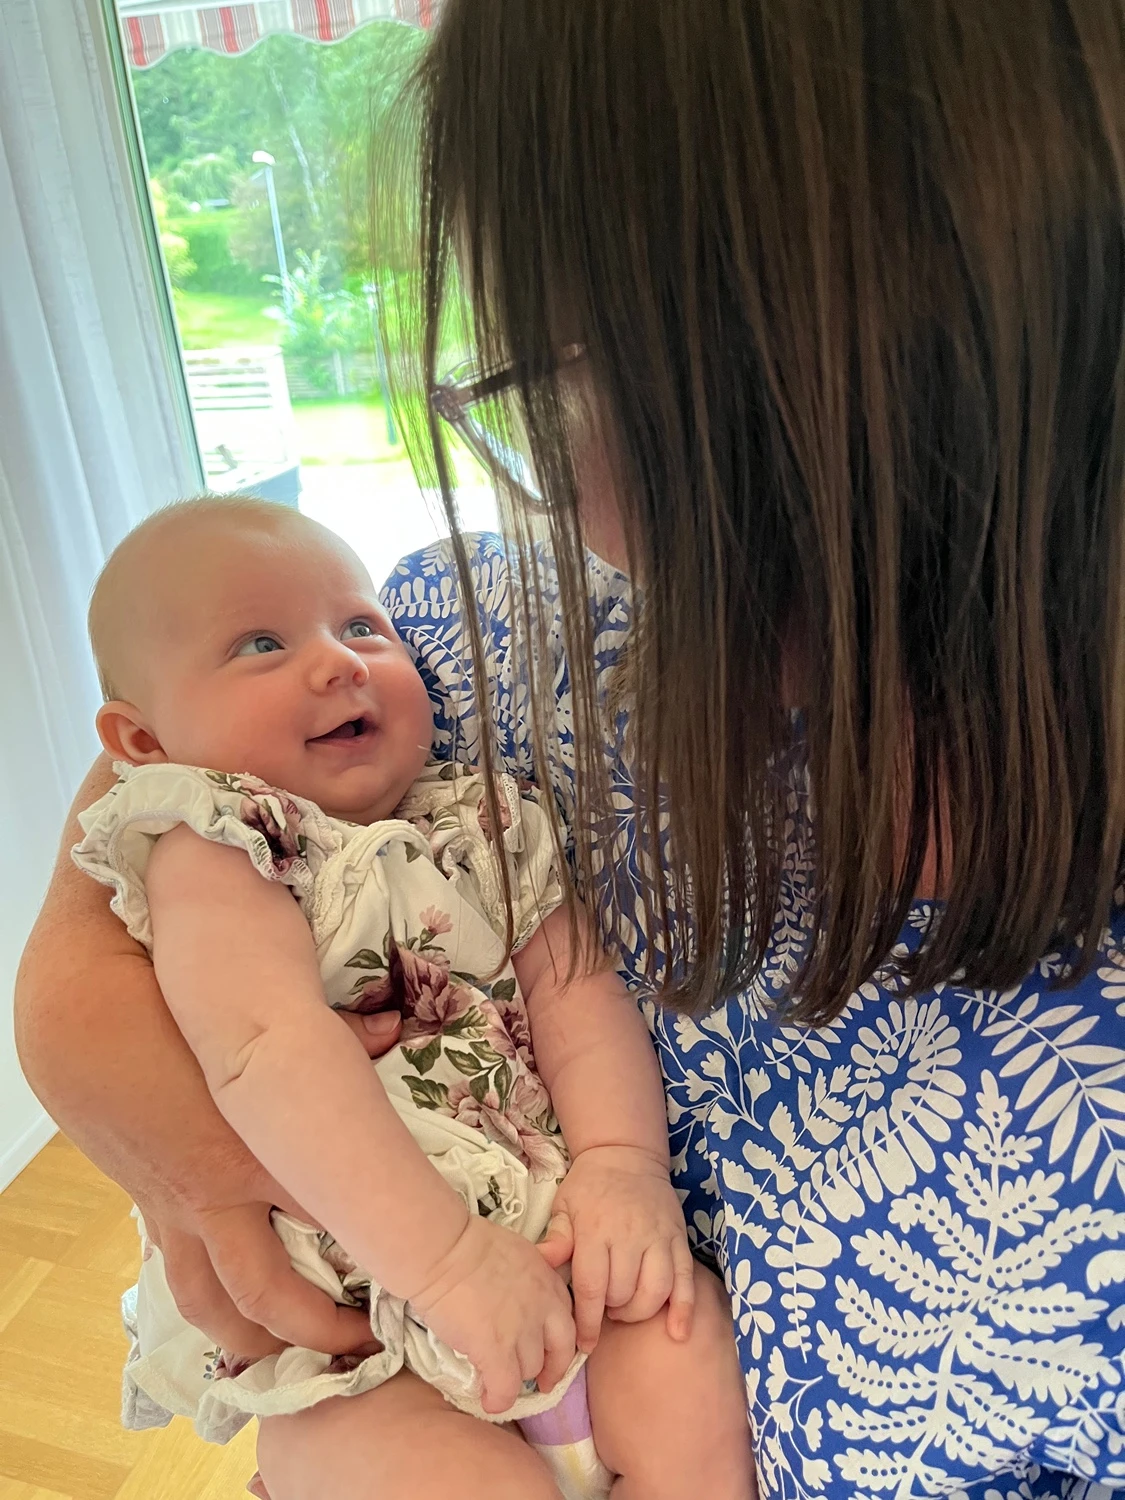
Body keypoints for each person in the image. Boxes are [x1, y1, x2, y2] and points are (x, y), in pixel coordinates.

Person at [16, 1, 1125, 1496]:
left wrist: (614, 1174)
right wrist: (141, 1102)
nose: (338, 664)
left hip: (585, 1292)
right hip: (391, 1338)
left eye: (555, 382)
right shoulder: (460, 648)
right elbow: (146, 834)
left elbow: (566, 968)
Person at [64, 495, 751, 1500]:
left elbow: (574, 989)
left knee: (686, 1351)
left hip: (558, 1255)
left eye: (360, 627)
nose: (336, 662)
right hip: (365, 1327)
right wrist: (449, 1267)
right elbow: (264, 1049)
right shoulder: (219, 841)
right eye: (261, 644)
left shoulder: (483, 813)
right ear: (141, 740)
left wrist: (622, 1164)